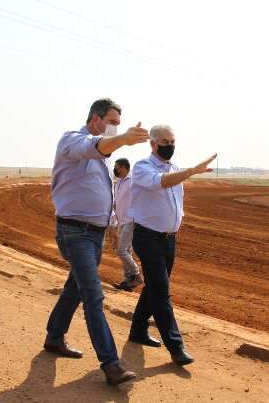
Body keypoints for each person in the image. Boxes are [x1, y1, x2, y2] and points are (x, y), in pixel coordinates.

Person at [44, 98, 149, 386]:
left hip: (93, 233)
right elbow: (94, 146)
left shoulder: (102, 161)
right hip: (73, 232)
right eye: (112, 122)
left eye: (118, 123)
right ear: (95, 120)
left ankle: (54, 336)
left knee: (75, 288)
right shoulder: (72, 141)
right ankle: (111, 363)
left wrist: (111, 224)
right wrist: (124, 139)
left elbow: (100, 191)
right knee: (93, 295)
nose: (115, 127)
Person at [128, 124, 216, 366]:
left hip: (168, 239)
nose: (169, 146)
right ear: (153, 144)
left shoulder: (175, 168)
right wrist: (191, 171)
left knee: (155, 286)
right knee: (161, 291)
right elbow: (162, 183)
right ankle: (176, 347)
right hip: (147, 237)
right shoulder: (142, 167)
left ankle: (137, 330)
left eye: (172, 141)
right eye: (164, 142)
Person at [111, 158, 142, 291]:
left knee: (121, 250)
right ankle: (128, 281)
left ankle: (136, 274)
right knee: (127, 250)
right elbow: (117, 202)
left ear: (123, 168)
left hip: (131, 220)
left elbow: (141, 197)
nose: (115, 169)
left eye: (117, 167)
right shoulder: (118, 182)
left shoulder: (133, 181)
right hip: (122, 220)